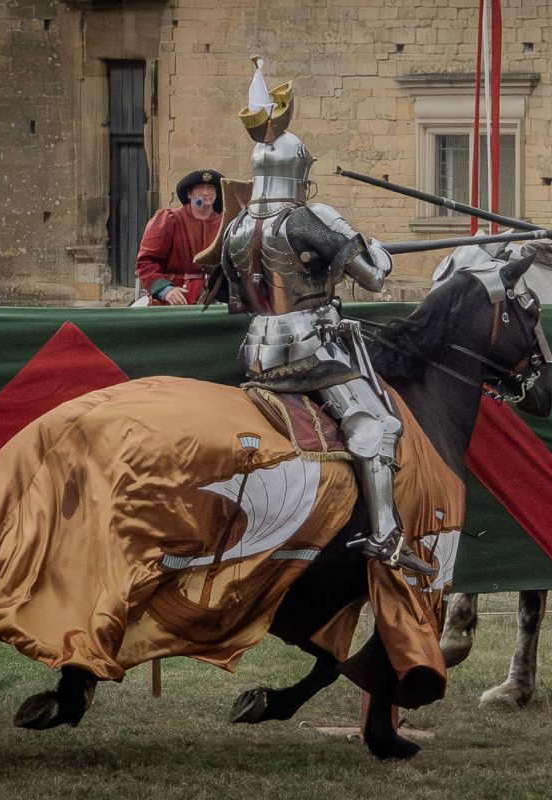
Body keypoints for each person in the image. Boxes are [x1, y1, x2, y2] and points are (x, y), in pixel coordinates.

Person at [217, 61, 433, 575]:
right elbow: (374, 277)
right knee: (376, 425)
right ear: (299, 171)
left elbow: (236, 295)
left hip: (256, 352)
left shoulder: (237, 225)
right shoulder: (312, 218)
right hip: (310, 352)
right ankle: (385, 536)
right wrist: (375, 250)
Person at [136, 169, 225, 305]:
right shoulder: (169, 219)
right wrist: (165, 290)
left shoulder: (226, 224)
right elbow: (145, 264)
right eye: (200, 188)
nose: (206, 193)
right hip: (176, 300)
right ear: (189, 194)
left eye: (211, 188)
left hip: (217, 298)